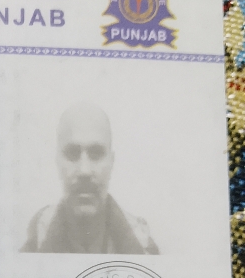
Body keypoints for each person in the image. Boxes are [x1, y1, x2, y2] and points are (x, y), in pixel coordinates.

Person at [20, 103, 158, 254]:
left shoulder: (146, 252)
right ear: (58, 162)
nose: (84, 171)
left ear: (111, 162)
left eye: (96, 154)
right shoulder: (32, 248)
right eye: (72, 153)